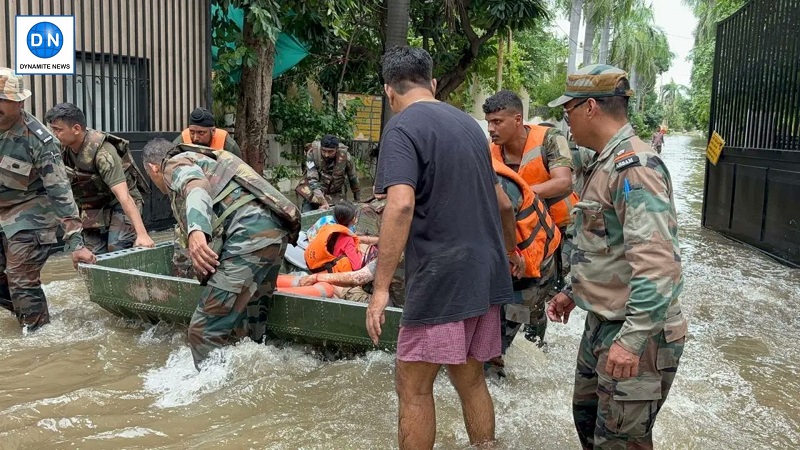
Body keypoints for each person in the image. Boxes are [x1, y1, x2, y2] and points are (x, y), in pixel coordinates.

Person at [366, 46, 517, 449]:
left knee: (412, 385)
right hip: (484, 273)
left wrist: (380, 289)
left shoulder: (401, 128)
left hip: (442, 276)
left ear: (389, 91)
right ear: (432, 84)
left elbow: (399, 205)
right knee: (471, 379)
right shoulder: (470, 126)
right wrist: (510, 253)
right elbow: (503, 203)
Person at [546, 64, 687, 449]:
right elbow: (607, 245)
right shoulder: (604, 163)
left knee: (621, 443)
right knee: (591, 429)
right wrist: (573, 292)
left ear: (590, 107)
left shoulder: (635, 168)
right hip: (605, 322)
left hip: (636, 332)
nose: (566, 122)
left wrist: (632, 340)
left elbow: (658, 265)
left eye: (567, 111)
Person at [141, 138, 301, 370]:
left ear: (152, 168)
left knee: (202, 332)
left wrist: (197, 231)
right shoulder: (204, 158)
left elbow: (196, 186)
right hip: (274, 232)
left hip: (248, 237)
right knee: (249, 324)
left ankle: (212, 397)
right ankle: (252, 381)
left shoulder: (172, 164)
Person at [0, 68, 96, 332]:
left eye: (2, 100)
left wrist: (76, 242)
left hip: (31, 211)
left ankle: (37, 336)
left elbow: (60, 192)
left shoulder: (39, 140)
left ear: (19, 102)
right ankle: (28, 312)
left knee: (20, 278)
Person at [483, 90, 579, 344]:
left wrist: (521, 194)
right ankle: (520, 342)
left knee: (536, 293)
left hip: (558, 232)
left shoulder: (550, 139)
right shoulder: (490, 151)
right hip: (519, 234)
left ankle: (532, 345)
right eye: (488, 122)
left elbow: (564, 182)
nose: (491, 129)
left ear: (517, 119)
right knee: (517, 296)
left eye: (497, 122)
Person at [45, 102, 155, 253]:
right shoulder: (60, 150)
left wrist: (142, 234)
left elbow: (124, 197)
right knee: (90, 255)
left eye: (58, 130)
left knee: (117, 248)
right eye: (53, 130)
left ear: (76, 129)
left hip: (119, 203)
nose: (54, 135)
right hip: (92, 206)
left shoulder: (104, 153)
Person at [488, 157, 562, 378]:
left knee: (494, 347)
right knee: (525, 318)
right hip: (520, 261)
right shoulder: (474, 166)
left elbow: (504, 208)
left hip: (532, 265)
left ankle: (499, 383)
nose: (492, 128)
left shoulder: (496, 183)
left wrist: (511, 254)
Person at [296, 134, 360, 212]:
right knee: (307, 214)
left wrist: (357, 200)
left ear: (337, 149)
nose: (326, 154)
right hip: (314, 191)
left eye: (330, 152)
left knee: (341, 215)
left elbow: (353, 179)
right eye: (324, 151)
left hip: (336, 192)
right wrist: (322, 201)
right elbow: (312, 179)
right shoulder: (312, 154)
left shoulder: (346, 157)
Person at [304, 203, 366, 273]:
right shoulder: (348, 239)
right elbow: (357, 266)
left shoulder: (325, 228)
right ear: (352, 220)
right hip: (332, 273)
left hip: (317, 268)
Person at [173, 107, 241, 157]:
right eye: (192, 132)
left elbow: (240, 172)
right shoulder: (180, 142)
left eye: (201, 133)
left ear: (213, 131)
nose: (195, 138)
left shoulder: (229, 146)